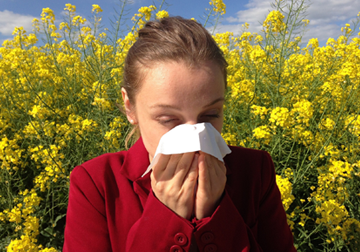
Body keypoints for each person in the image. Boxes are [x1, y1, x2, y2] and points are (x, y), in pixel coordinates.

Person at [63, 16, 297, 252]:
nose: (194, 137)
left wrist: (217, 213)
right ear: (130, 107)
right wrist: (165, 216)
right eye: (168, 119)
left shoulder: (255, 171)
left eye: (210, 115)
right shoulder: (97, 184)